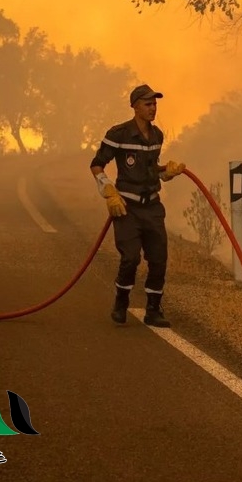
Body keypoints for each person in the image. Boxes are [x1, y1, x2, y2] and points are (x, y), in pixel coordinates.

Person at [90, 84, 186, 328]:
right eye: (148, 104)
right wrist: (108, 191)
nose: (153, 108)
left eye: (155, 104)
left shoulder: (157, 136)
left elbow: (151, 169)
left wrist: (167, 171)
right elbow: (97, 164)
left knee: (159, 258)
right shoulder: (118, 134)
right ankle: (121, 303)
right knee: (130, 258)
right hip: (127, 208)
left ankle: (153, 309)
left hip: (152, 207)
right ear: (135, 106)